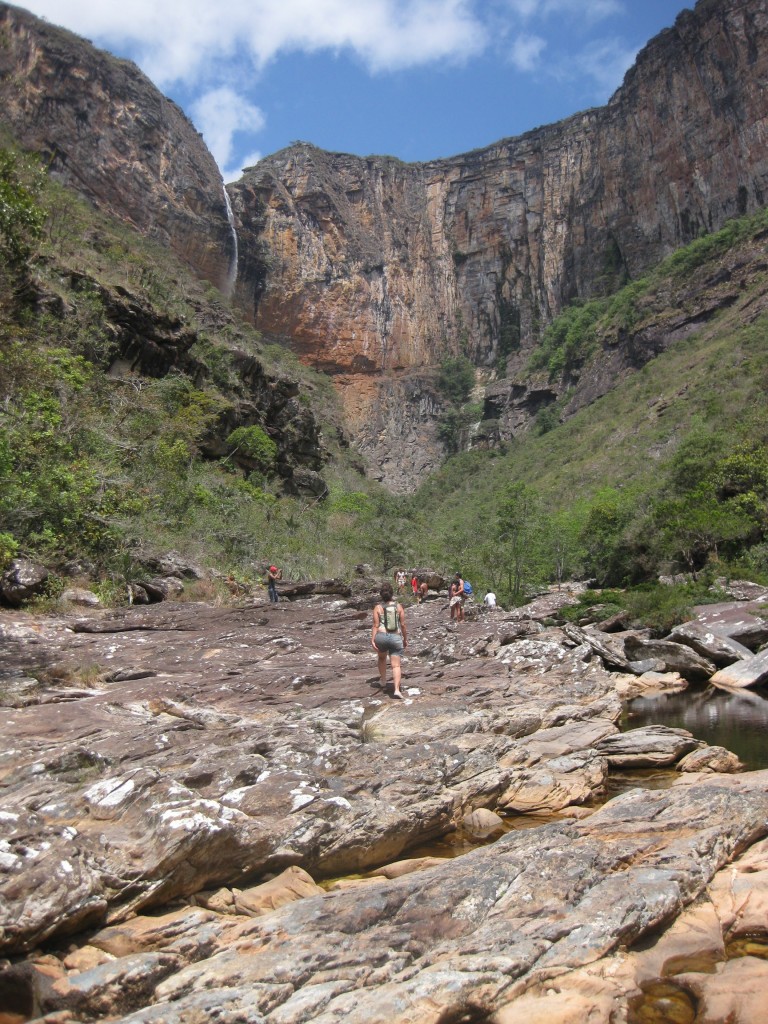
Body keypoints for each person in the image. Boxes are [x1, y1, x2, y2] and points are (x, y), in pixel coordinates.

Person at [371, 582, 408, 699]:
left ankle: (383, 680)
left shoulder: (378, 607)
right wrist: (405, 639)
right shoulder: (398, 606)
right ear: (392, 594)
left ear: (381, 595)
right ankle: (396, 690)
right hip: (395, 637)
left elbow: (375, 625)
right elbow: (403, 625)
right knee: (396, 666)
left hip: (381, 636)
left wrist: (373, 639)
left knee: (382, 657)